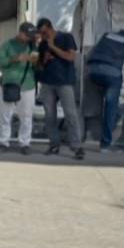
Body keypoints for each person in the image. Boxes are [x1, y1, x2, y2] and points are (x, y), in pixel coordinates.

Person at [36, 18, 84, 160]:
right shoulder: (42, 44)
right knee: (49, 115)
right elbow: (39, 66)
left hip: (64, 82)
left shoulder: (66, 37)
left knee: (70, 114)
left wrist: (53, 47)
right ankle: (54, 144)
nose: (43, 36)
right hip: (47, 82)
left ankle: (77, 146)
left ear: (51, 28)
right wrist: (45, 59)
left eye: (45, 32)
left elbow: (71, 57)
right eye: (41, 33)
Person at [85, 28, 124, 152]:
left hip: (92, 71)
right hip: (111, 74)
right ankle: (105, 144)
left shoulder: (107, 35)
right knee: (111, 108)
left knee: (105, 105)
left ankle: (93, 132)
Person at [0, 22, 39, 155]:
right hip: (9, 84)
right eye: (27, 35)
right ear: (20, 32)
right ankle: (3, 142)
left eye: (31, 35)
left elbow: (37, 65)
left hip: (28, 85)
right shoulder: (8, 45)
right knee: (5, 115)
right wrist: (15, 59)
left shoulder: (33, 46)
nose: (29, 38)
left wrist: (35, 61)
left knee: (26, 115)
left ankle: (25, 143)